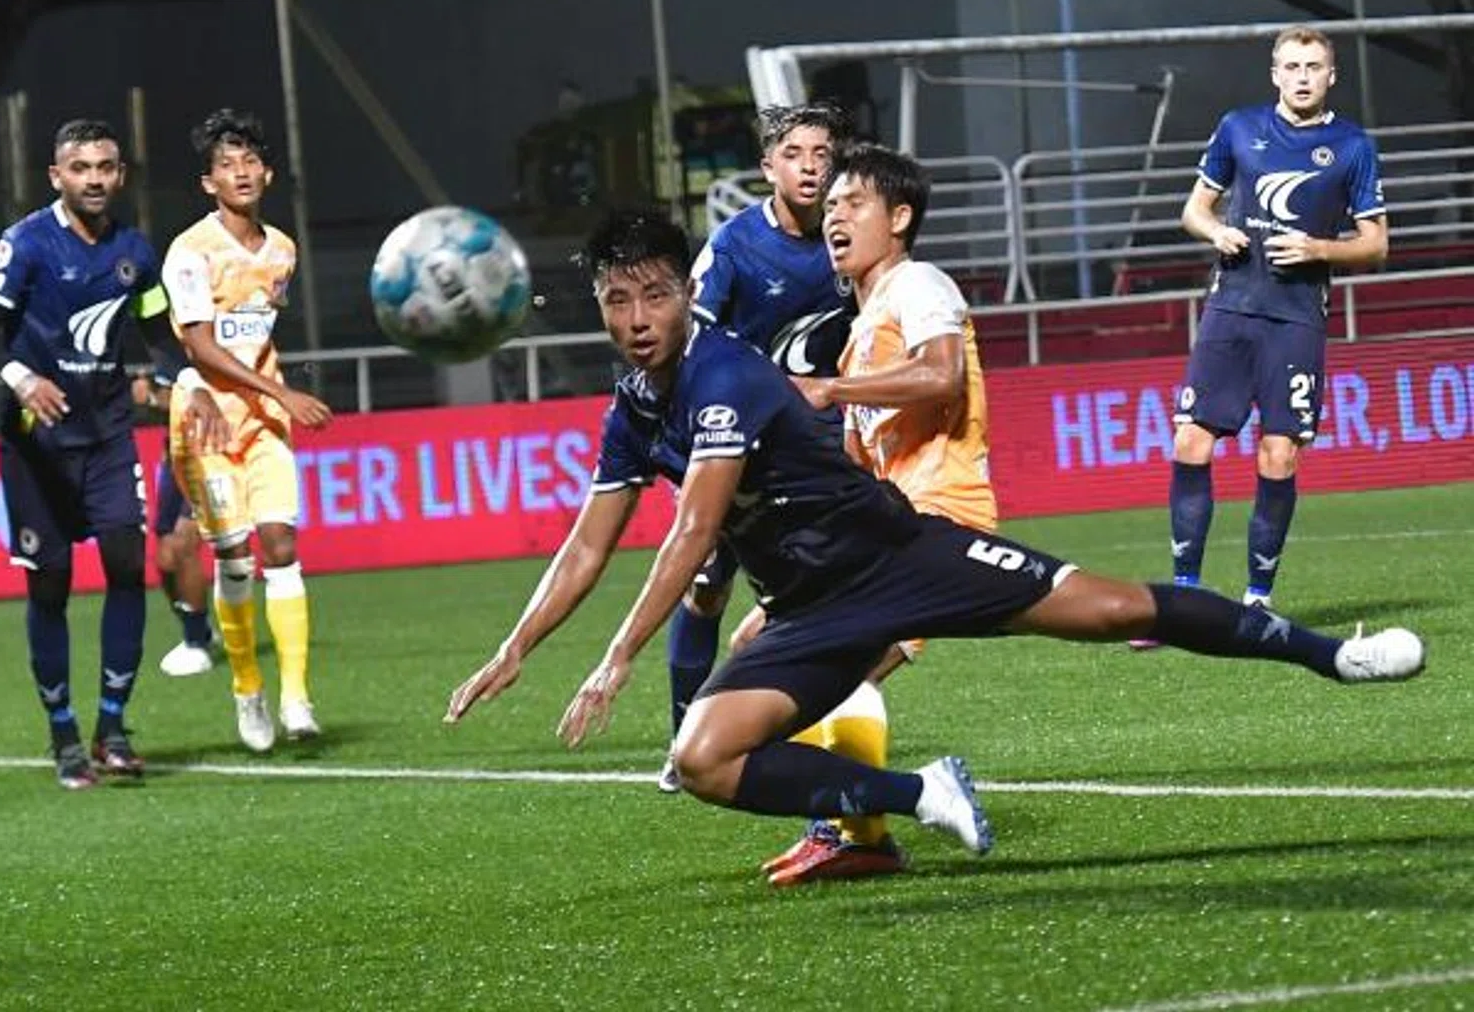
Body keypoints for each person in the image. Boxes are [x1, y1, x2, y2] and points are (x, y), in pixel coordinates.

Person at [445, 208, 1424, 868]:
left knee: (1116, 606)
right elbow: (586, 543)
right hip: (811, 612)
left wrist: (614, 658)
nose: (636, 316)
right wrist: (514, 648)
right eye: (617, 299)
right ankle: (920, 792)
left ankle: (1334, 654)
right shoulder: (632, 402)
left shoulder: (726, 375)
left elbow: (693, 528)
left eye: (654, 294)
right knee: (703, 756)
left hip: (905, 558)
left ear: (683, 297)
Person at [733, 143, 999, 883]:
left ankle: (862, 832)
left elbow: (943, 372)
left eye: (854, 203)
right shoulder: (860, 328)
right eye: (833, 205)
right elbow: (860, 466)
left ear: (901, 217)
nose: (835, 216)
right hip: (891, 526)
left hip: (938, 516)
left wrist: (825, 392)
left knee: (832, 670)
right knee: (760, 645)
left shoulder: (918, 283)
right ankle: (850, 825)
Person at [0, 118, 226, 790]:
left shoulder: (134, 252)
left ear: (121, 174)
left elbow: (161, 333)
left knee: (124, 560)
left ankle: (112, 726)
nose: (95, 179)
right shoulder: (24, 244)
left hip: (106, 435)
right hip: (35, 442)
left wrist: (184, 380)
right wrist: (23, 377)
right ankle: (63, 737)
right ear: (57, 176)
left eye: (106, 167)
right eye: (81, 168)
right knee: (48, 583)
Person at [663, 102, 858, 793]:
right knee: (707, 589)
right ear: (767, 167)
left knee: (828, 591)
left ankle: (791, 729)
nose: (811, 166)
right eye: (796, 154)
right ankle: (687, 731)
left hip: (825, 448)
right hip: (739, 444)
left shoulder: (851, 235)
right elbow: (693, 341)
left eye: (823, 153)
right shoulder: (736, 246)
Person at [1164, 26, 1388, 619]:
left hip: (1295, 321)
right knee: (1191, 441)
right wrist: (1216, 231)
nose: (1303, 76)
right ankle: (1185, 596)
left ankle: (1257, 600)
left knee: (1279, 454)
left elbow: (1376, 244)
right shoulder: (1238, 127)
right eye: (1291, 66)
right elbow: (1194, 209)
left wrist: (1320, 249)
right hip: (1230, 308)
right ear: (1275, 73)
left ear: (1331, 75)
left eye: (1314, 66)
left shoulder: (1352, 145)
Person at [162, 108, 333, 753]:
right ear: (208, 183)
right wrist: (282, 390)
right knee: (232, 553)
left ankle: (296, 696)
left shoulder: (282, 249)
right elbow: (201, 347)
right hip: (205, 420)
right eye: (226, 166)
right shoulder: (189, 252)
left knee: (281, 544)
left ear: (267, 172)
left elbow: (259, 328)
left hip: (263, 423)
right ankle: (247, 687)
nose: (241, 174)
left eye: (249, 163)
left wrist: (273, 399)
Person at [128, 371, 216, 676]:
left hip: (210, 457)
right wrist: (149, 399)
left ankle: (196, 645)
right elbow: (169, 405)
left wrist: (151, 398)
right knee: (164, 560)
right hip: (175, 461)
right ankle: (200, 628)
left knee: (183, 544)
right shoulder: (164, 347)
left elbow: (201, 402)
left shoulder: (203, 343)